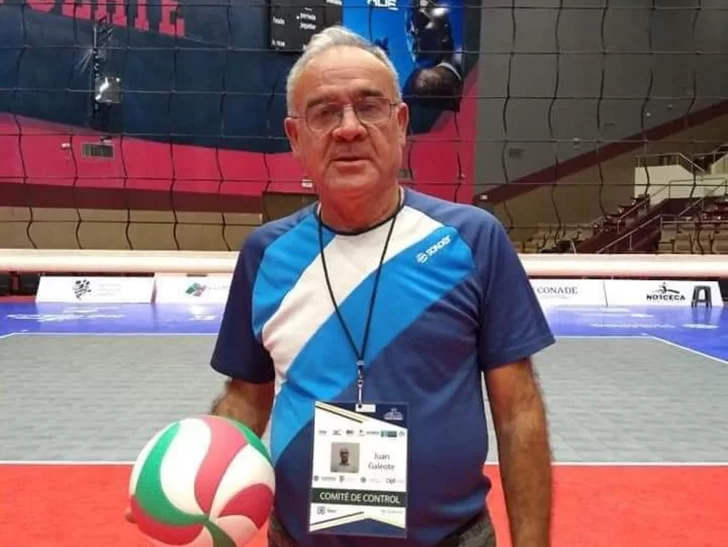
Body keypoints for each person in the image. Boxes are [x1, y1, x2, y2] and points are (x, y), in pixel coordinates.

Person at [129, 25, 554, 547]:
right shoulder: (265, 254)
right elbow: (246, 399)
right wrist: (175, 481)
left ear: (401, 123)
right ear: (295, 137)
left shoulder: (472, 240)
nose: (349, 128)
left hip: (450, 538)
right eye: (325, 112)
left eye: (369, 107)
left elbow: (518, 412)